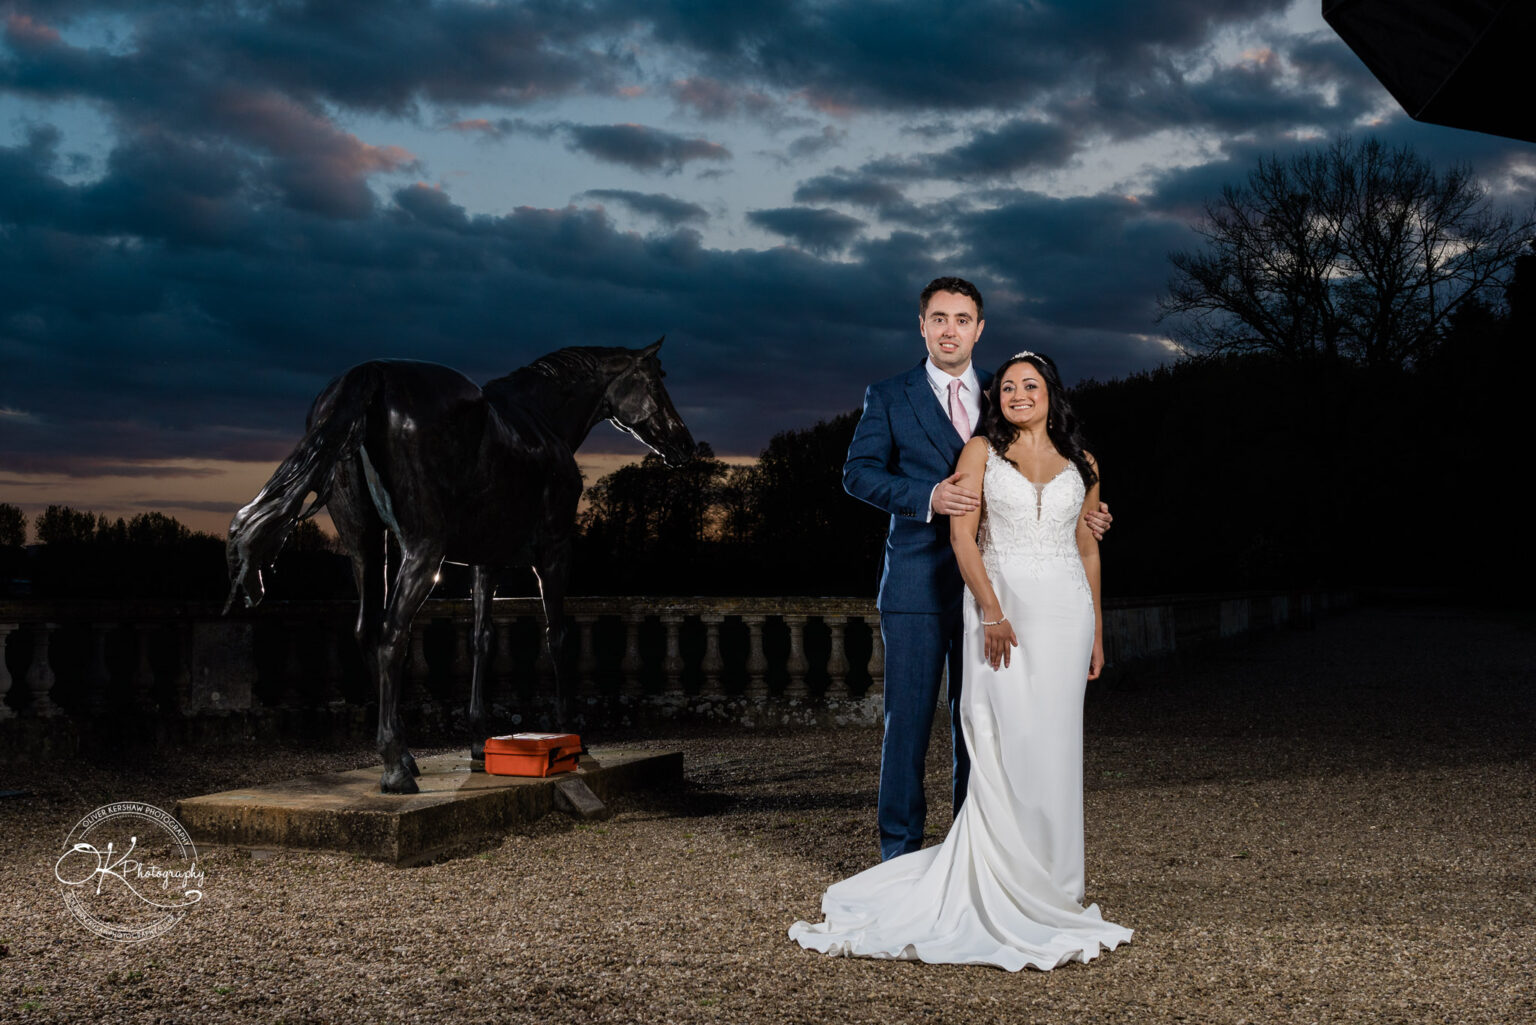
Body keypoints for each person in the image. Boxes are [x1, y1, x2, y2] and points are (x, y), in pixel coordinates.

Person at [789, 349, 1131, 970]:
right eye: (1007, 387)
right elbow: (961, 537)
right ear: (995, 397)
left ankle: (1052, 882)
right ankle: (993, 878)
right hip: (1000, 609)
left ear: (1052, 392)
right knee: (1001, 737)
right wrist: (993, 612)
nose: (1018, 395)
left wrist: (1098, 632)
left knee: (1055, 744)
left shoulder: (1085, 464)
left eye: (1031, 385)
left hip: (1066, 616)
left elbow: (1088, 552)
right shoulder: (979, 452)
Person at [840, 277, 1110, 862]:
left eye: (962, 320)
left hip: (999, 592)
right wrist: (927, 497)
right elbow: (857, 474)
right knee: (906, 727)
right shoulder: (889, 395)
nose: (950, 330)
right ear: (922, 325)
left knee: (986, 730)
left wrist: (1082, 513)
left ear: (979, 329)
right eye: (939, 318)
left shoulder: (1006, 391)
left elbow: (1050, 477)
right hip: (917, 582)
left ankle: (975, 854)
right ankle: (900, 854)